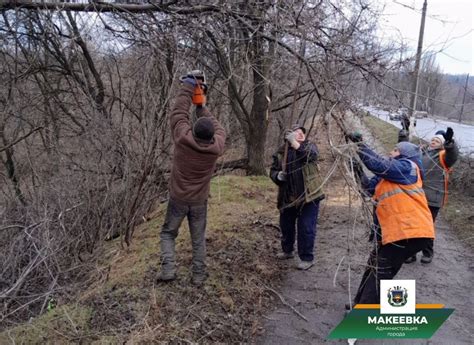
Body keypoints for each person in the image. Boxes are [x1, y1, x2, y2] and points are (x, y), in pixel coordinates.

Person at [346, 135, 434, 305]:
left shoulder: (408, 167)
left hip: (410, 232)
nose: (390, 152)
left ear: (405, 154)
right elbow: (367, 188)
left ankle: (364, 315)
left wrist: (360, 145)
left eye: (395, 149)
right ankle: (360, 304)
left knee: (381, 271)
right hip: (396, 233)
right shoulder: (388, 177)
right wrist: (356, 169)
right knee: (374, 265)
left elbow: (379, 165)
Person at [158, 70, 226, 285]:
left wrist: (189, 86)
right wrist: (201, 105)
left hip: (178, 199)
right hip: (199, 202)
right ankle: (198, 275)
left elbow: (178, 113)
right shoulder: (217, 146)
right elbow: (217, 127)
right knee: (198, 240)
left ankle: (168, 270)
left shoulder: (183, 138)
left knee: (168, 233)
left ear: (193, 131)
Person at [269, 125, 325, 270]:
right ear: (288, 136)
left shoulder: (310, 147)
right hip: (288, 196)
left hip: (309, 196)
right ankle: (287, 251)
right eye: (296, 133)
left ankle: (307, 258)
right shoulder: (282, 153)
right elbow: (273, 171)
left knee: (306, 227)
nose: (300, 134)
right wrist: (277, 176)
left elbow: (310, 156)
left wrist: (295, 143)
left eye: (302, 133)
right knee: (286, 225)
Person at [405, 127, 458, 264]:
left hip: (432, 198)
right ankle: (410, 254)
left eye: (437, 140)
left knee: (426, 227)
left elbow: (452, 156)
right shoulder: (422, 152)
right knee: (412, 225)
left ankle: (428, 252)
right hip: (416, 196)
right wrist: (405, 129)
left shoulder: (442, 156)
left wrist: (450, 144)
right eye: (433, 139)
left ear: (442, 144)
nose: (433, 141)